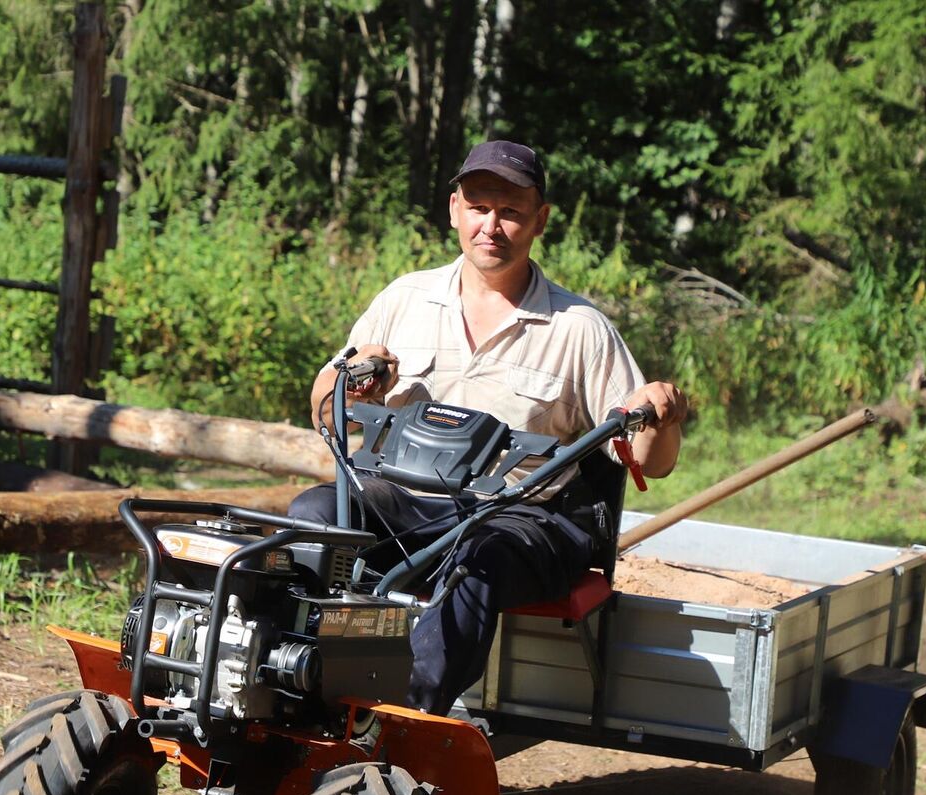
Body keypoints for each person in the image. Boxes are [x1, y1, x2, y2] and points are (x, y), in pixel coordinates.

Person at [291, 139, 687, 717]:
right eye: (479, 208)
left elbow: (652, 461)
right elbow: (324, 412)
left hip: (524, 518)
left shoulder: (580, 328)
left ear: (540, 220)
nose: (491, 227)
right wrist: (351, 385)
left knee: (479, 555)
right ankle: (305, 681)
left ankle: (403, 717)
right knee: (314, 517)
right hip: (404, 499)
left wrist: (661, 411)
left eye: (511, 212)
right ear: (454, 208)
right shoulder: (405, 299)